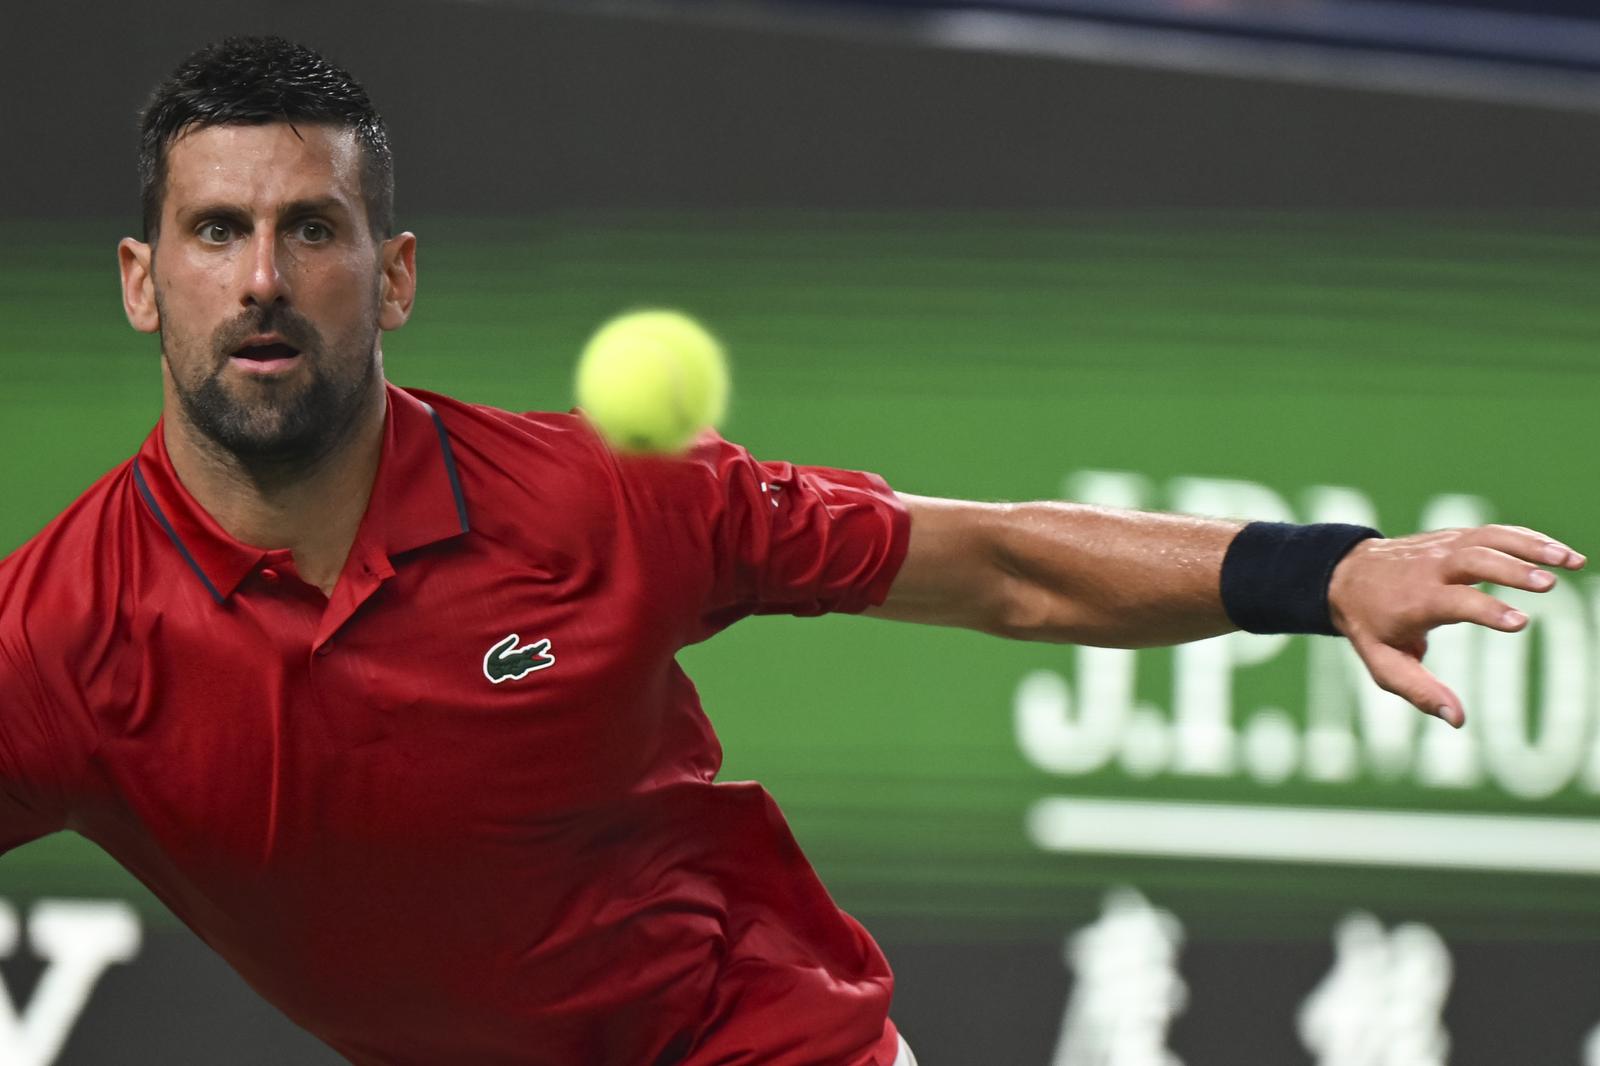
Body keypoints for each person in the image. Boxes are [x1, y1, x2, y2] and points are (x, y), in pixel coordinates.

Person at [0, 35, 1581, 1066]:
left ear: (394, 274)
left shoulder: (602, 501)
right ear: (143, 281)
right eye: (218, 232)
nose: (263, 276)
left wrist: (1322, 571)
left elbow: (995, 563)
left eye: (311, 229)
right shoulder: (61, 641)